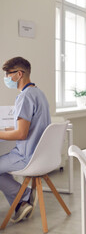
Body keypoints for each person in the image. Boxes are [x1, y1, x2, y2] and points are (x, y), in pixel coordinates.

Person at [0, 57, 51, 223]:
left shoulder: (25, 97)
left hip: (26, 157)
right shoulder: (38, 93)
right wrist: (6, 130)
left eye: (8, 74)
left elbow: (21, 134)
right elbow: (28, 127)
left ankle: (24, 196)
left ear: (19, 74)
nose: (6, 78)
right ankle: (21, 201)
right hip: (41, 155)